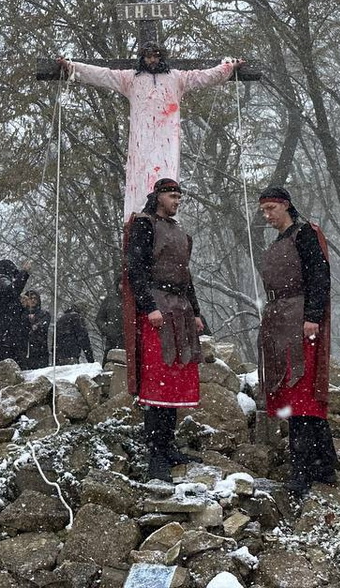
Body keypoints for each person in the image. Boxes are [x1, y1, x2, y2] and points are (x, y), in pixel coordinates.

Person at [59, 45, 241, 217]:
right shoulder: (130, 79)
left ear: (162, 57)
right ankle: (140, 215)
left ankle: (164, 215)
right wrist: (73, 68)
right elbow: (103, 75)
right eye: (148, 56)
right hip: (141, 138)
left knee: (167, 175)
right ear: (142, 58)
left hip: (167, 138)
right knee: (140, 178)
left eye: (156, 56)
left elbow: (204, 76)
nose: (152, 60)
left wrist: (227, 67)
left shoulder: (177, 78)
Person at [256, 186, 338, 497]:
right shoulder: (278, 241)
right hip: (279, 319)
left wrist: (312, 316)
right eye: (263, 211)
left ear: (286, 206)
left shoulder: (304, 235)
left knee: (301, 396)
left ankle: (302, 470)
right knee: (294, 394)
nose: (267, 216)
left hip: (300, 318)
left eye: (271, 210)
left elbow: (319, 276)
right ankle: (324, 463)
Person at [126, 178, 205, 482]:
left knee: (175, 377)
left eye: (179, 196)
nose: (176, 201)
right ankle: (156, 454)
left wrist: (196, 312)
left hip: (181, 308)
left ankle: (169, 444)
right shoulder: (144, 225)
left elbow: (187, 276)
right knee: (158, 380)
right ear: (158, 197)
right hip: (158, 307)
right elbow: (135, 269)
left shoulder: (180, 232)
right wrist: (149, 306)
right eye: (172, 196)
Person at [19, 289, 51, 370]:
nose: (32, 300)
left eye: (35, 298)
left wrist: (35, 323)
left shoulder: (44, 314)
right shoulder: (21, 314)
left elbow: (43, 326)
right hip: (23, 351)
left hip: (40, 352)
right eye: (30, 298)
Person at [96, 277, 124, 356]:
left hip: (131, 341)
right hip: (112, 341)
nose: (124, 286)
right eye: (122, 284)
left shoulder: (134, 299)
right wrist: (108, 331)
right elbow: (99, 319)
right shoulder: (110, 299)